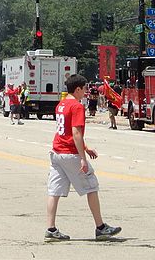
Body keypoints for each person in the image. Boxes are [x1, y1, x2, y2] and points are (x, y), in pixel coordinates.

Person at [45, 74, 121, 242]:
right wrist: (83, 158)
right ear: (77, 89)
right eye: (85, 88)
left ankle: (51, 228)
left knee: (54, 191)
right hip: (70, 154)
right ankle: (101, 227)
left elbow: (65, 132)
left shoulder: (61, 104)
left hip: (56, 153)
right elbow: (75, 133)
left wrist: (86, 148)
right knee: (91, 186)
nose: (86, 91)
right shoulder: (77, 106)